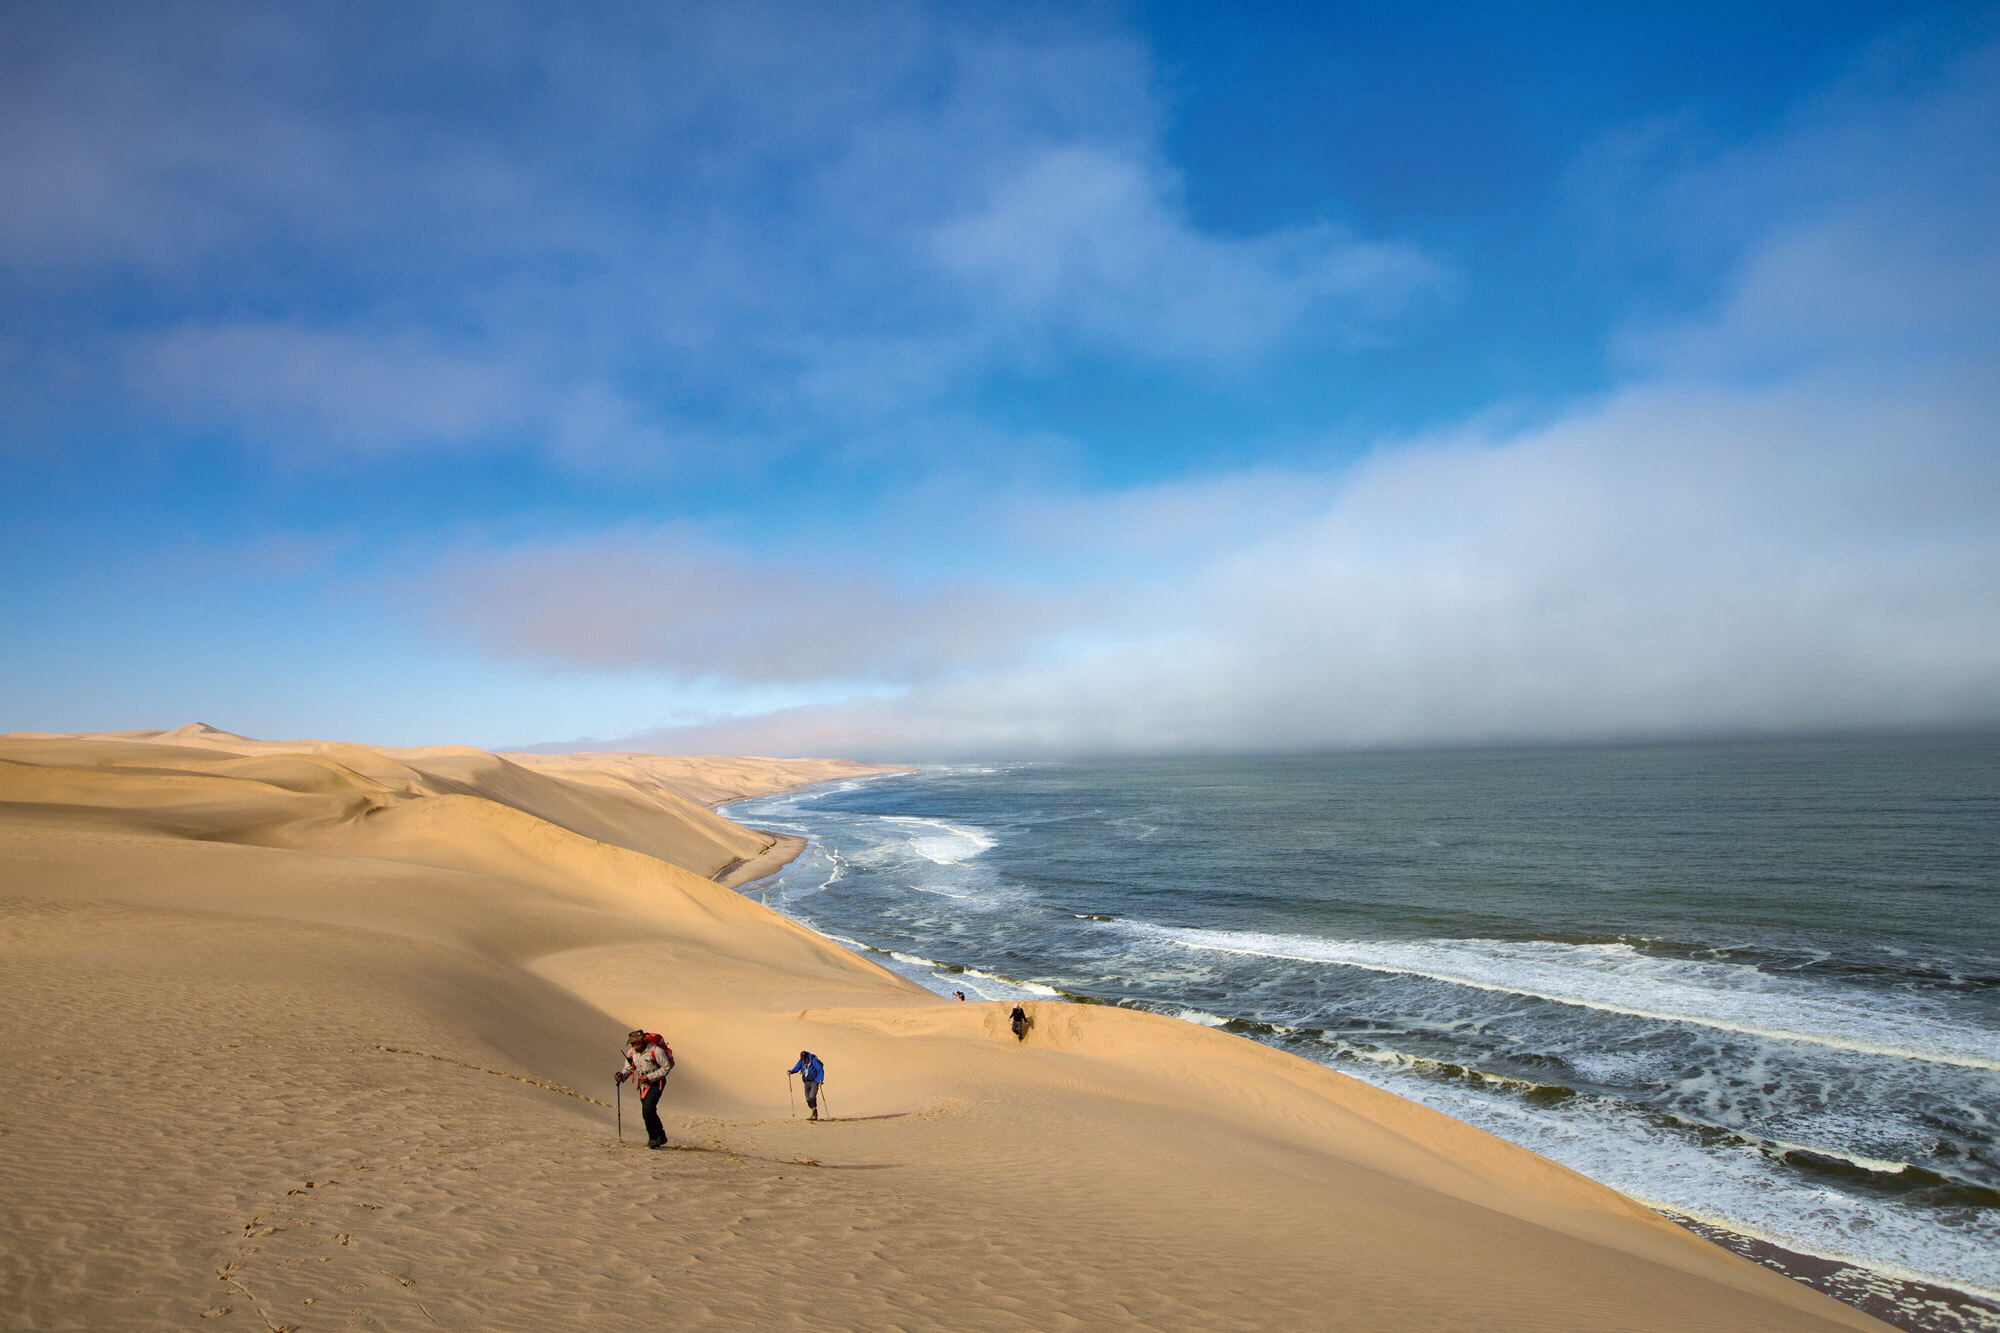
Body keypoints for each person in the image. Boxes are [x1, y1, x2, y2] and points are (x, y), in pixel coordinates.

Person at [615, 1029, 674, 1148]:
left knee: (647, 1109)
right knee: (649, 1110)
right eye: (632, 1044)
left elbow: (666, 1067)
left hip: (657, 1082)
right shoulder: (631, 1053)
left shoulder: (655, 1051)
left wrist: (648, 1077)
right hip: (643, 1085)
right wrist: (621, 1076)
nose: (635, 1046)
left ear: (643, 1041)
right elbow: (629, 1068)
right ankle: (661, 1136)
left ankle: (653, 1138)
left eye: (637, 1043)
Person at [786, 1050, 826, 1121]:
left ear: (807, 1057)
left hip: (814, 1081)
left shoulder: (813, 1060)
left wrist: (820, 1080)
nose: (804, 1061)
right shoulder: (801, 1061)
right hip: (806, 1082)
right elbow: (797, 1068)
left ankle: (814, 1114)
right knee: (808, 1099)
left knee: (812, 1096)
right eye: (803, 1060)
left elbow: (820, 1070)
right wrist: (791, 1071)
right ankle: (813, 1112)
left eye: (805, 1059)